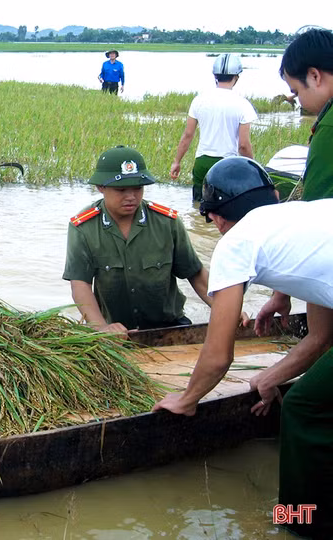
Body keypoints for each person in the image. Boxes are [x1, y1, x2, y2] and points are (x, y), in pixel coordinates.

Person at [153, 156, 333, 538]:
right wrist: (273, 374)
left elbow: (218, 355)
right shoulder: (304, 217)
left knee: (303, 408)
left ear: (216, 218)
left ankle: (301, 524)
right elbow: (320, 338)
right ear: (273, 195)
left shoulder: (235, 243)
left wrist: (186, 400)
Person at [63, 146, 211, 335]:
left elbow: (196, 274)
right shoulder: (83, 228)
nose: (131, 197)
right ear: (100, 187)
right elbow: (80, 284)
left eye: (137, 188)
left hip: (169, 326)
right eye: (121, 189)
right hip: (115, 332)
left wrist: (227, 310)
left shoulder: (167, 222)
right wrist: (101, 328)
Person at [255, 29, 333, 346]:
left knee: (303, 398)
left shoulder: (328, 127)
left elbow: (313, 229)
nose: (298, 100)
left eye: (295, 90)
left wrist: (281, 294)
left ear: (314, 76)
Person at [170, 53, 257, 200]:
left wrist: (177, 162)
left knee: (197, 207)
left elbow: (188, 135)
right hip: (227, 164)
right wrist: (254, 168)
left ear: (215, 76)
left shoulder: (199, 100)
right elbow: (243, 145)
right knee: (223, 209)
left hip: (201, 163)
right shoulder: (243, 104)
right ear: (236, 77)